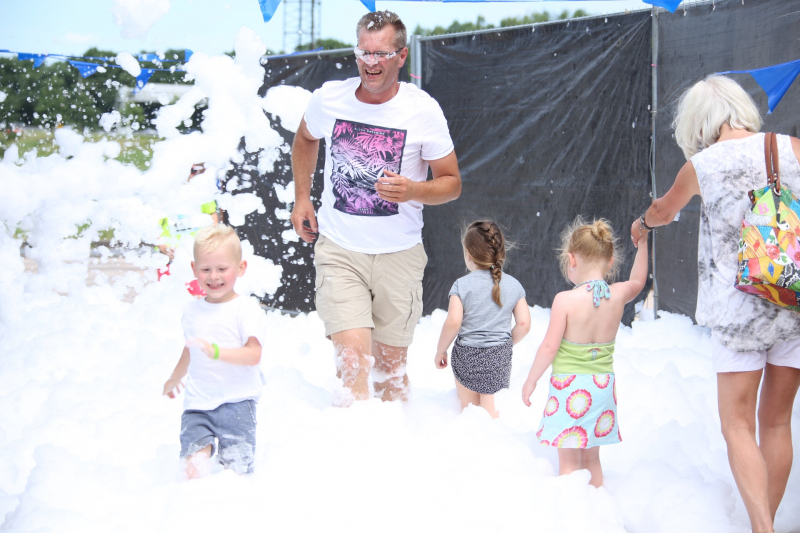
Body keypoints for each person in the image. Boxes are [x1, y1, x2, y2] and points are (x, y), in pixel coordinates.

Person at [630, 75, 800, 532]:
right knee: (778, 424)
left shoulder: (703, 165)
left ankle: (762, 527)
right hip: (792, 300)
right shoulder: (791, 147)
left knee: (738, 426)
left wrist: (642, 225)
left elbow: (664, 210)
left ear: (698, 123)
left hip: (737, 309)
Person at [290, 10, 461, 404]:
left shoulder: (423, 110)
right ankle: (351, 453)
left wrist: (413, 189)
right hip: (339, 250)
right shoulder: (329, 98)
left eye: (381, 54)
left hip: (399, 256)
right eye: (364, 52)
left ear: (401, 57)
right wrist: (302, 197)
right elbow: (305, 137)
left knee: (390, 374)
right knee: (352, 366)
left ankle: (391, 454)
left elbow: (452, 184)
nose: (370, 62)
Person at [522, 217, 648, 487]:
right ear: (610, 262)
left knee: (568, 462)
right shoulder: (616, 295)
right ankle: (599, 513)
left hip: (569, 390)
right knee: (592, 461)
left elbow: (549, 347)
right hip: (602, 388)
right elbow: (638, 280)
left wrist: (531, 379)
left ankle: (573, 517)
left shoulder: (565, 301)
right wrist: (644, 242)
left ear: (572, 259)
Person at [162, 224, 266, 479]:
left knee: (236, 476)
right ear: (194, 270)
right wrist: (175, 377)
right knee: (193, 471)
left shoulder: (246, 310)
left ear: (240, 268)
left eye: (222, 269)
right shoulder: (191, 311)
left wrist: (218, 352)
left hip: (238, 403)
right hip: (198, 405)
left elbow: (253, 355)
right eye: (206, 269)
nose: (214, 276)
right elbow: (191, 351)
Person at [434, 220, 530, 418]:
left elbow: (453, 322)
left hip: (467, 357)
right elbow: (524, 324)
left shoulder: (461, 285)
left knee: (468, 412)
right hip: (499, 357)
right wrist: (506, 344)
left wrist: (441, 350)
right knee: (492, 412)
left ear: (468, 255)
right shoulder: (514, 285)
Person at [157, 163, 220, 297]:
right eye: (192, 171)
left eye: (199, 171)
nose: (195, 175)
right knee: (169, 298)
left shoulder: (203, 194)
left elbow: (212, 217)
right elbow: (155, 227)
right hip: (170, 257)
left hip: (197, 256)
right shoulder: (165, 196)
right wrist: (163, 247)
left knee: (201, 297)